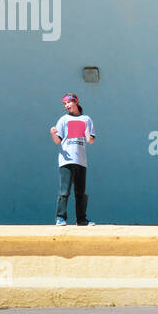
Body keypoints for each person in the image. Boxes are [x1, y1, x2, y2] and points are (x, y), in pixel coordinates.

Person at [50, 92, 96, 226]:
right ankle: (60, 218)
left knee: (80, 192)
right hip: (66, 160)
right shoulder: (63, 120)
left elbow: (91, 140)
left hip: (81, 161)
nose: (67, 105)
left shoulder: (86, 119)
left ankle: (81, 219)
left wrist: (86, 132)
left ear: (76, 102)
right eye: (64, 104)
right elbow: (57, 141)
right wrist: (53, 133)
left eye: (69, 102)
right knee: (64, 191)